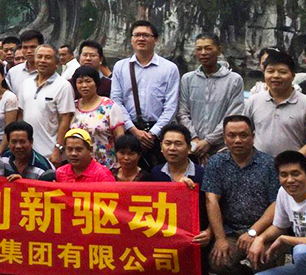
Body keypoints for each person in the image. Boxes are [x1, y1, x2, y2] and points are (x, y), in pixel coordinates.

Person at [204, 115, 280, 275]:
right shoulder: (216, 163)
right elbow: (211, 200)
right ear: (224, 138)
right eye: (231, 135)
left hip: (264, 230)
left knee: (264, 259)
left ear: (253, 136)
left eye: (243, 135)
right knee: (219, 261)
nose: (237, 140)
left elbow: (276, 203)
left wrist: (253, 232)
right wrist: (220, 239)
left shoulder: (269, 164)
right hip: (231, 230)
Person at [111, 20, 180, 168]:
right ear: (131, 39)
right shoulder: (120, 67)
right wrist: (133, 130)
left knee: (160, 173)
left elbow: (171, 105)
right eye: (137, 35)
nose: (141, 39)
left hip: (159, 133)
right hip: (130, 132)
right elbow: (116, 101)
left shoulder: (169, 68)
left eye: (146, 35)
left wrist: (153, 133)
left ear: (155, 39)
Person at [153, 123, 212, 275]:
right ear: (161, 147)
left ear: (189, 148)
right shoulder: (155, 173)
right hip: (165, 238)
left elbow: (216, 207)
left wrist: (209, 232)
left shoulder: (203, 174)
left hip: (196, 238)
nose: (172, 148)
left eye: (178, 144)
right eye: (168, 143)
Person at [178, 32, 246, 163]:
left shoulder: (234, 80)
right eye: (199, 49)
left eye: (208, 48)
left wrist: (209, 141)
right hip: (193, 147)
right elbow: (182, 112)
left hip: (222, 147)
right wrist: (195, 139)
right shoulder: (188, 79)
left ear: (219, 50)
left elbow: (233, 115)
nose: (203, 53)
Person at [247, 151, 306, 275]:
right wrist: (260, 238)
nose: (289, 180)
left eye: (295, 174)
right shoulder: (283, 192)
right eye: (284, 175)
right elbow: (279, 226)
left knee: (301, 251)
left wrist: (285, 239)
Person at [17, 44, 75, 165]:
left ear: (56, 63)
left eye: (48, 57)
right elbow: (21, 114)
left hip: (50, 154)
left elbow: (65, 119)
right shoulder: (26, 84)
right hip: (27, 152)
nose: (42, 60)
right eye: (39, 57)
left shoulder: (63, 86)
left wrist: (58, 149)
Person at [246, 50, 306, 156]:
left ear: (293, 76)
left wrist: (296, 159)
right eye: (270, 71)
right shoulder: (254, 101)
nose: (276, 76)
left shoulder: (304, 103)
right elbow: (244, 132)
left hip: (293, 164)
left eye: (282, 72)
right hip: (258, 163)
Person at [70, 66, 125, 169]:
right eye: (80, 82)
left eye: (88, 81)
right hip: (79, 167)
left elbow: (120, 137)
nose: (84, 85)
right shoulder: (72, 107)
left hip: (106, 166)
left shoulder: (109, 106)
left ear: (96, 83)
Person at [5, 29, 43, 96]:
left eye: (33, 47)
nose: (29, 51)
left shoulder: (47, 72)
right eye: (25, 47)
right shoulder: (13, 72)